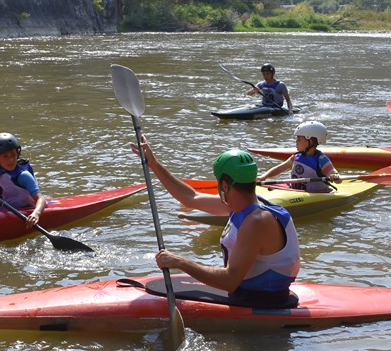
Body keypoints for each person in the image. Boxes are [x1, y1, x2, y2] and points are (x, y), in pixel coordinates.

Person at [131, 139, 300, 307]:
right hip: (249, 291)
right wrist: (154, 164)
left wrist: (179, 262)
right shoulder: (244, 205)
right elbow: (191, 198)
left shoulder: (256, 221)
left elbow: (229, 281)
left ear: (224, 185)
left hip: (262, 299)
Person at [257, 120, 341, 192]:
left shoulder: (321, 160)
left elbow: (335, 175)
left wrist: (335, 177)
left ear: (311, 141)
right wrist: (264, 176)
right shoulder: (296, 157)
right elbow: (279, 168)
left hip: (316, 193)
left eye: (299, 139)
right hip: (295, 191)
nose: (296, 142)